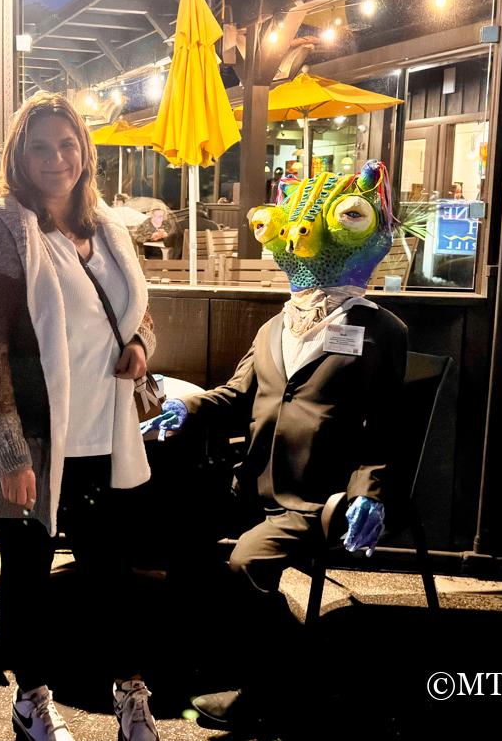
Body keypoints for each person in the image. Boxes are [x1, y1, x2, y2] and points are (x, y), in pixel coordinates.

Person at [147, 161, 407, 732]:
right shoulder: (275, 328)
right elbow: (236, 395)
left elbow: (386, 426)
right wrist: (183, 406)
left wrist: (371, 492)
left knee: (243, 562)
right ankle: (228, 657)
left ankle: (274, 685)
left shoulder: (380, 329)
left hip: (318, 498)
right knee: (174, 533)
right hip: (248, 485)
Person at [0, 92, 161, 741]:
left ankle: (130, 694)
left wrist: (141, 346)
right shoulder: (2, 232)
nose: (56, 158)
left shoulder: (110, 227)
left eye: (66, 144)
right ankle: (30, 699)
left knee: (112, 576)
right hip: (38, 441)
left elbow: (138, 313)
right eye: (40, 147)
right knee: (28, 575)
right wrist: (11, 456)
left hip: (106, 433)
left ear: (84, 150)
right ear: (19, 155)